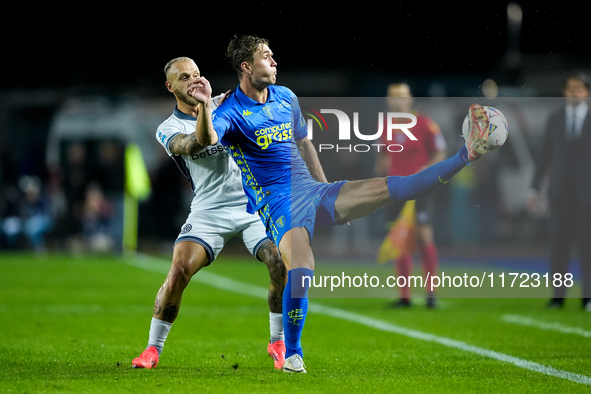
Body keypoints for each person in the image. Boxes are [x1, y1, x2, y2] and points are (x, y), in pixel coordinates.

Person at [187, 35, 494, 373]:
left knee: (401, 188)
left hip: (313, 191)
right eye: (265, 56)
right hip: (278, 203)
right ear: (246, 67)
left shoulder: (286, 97)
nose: (274, 61)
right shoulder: (229, 110)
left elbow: (305, 144)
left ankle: (467, 154)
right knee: (302, 271)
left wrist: (324, 191)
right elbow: (207, 139)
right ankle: (292, 353)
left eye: (273, 54)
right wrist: (203, 105)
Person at [132, 57, 287, 370]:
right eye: (184, 77)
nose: (192, 80)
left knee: (280, 260)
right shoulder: (169, 128)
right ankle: (152, 349)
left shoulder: (227, 102)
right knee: (178, 272)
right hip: (209, 210)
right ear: (170, 86)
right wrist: (205, 107)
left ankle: (277, 340)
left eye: (196, 74)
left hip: (251, 205)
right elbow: (195, 143)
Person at [374, 83, 447, 308]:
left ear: (410, 99)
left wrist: (425, 169)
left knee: (425, 237)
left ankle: (431, 294)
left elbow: (441, 151)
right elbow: (384, 157)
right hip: (396, 190)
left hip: (420, 189)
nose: (398, 101)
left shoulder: (425, 124)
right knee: (400, 239)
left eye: (402, 96)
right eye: (394, 97)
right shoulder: (385, 127)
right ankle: (405, 296)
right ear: (388, 100)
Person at [528, 72, 591, 311]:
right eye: (571, 87)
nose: (575, 92)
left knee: (588, 247)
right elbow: (544, 156)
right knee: (559, 246)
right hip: (560, 192)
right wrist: (534, 189)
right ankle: (558, 297)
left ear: (587, 92)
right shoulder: (554, 118)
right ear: (565, 92)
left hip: (587, 194)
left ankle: (588, 298)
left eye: (579, 88)